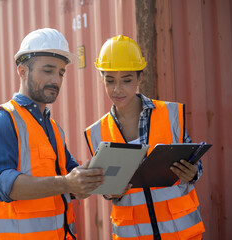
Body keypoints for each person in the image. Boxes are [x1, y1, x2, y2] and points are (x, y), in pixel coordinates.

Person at [0, 28, 104, 240]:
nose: (56, 79)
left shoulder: (53, 127)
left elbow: (70, 182)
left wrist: (91, 180)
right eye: (48, 70)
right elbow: (2, 184)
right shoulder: (2, 119)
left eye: (61, 72)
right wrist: (67, 183)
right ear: (22, 71)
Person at [84, 35, 205, 239]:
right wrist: (110, 191)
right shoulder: (97, 132)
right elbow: (105, 186)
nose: (117, 89)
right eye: (110, 80)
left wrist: (192, 173)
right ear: (102, 79)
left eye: (127, 80)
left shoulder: (170, 114)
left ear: (139, 78)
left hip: (180, 233)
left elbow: (196, 166)